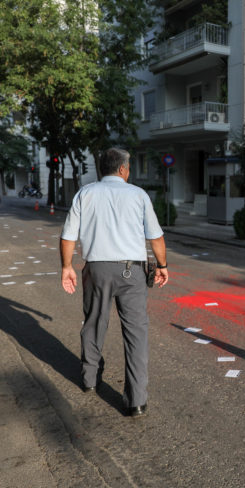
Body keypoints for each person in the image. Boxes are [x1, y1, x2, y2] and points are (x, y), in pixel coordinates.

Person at [59, 148, 169, 418]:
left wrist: (67, 267)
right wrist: (163, 266)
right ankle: (136, 401)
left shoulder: (85, 193)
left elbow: (67, 236)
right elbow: (155, 237)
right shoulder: (138, 195)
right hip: (132, 272)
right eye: (129, 167)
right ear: (122, 169)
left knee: (94, 323)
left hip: (96, 269)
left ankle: (90, 379)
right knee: (136, 334)